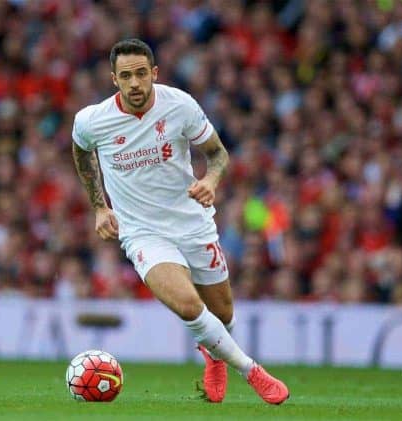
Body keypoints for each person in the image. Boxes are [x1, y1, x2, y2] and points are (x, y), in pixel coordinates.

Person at [71, 38, 289, 405]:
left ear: (154, 73)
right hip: (142, 232)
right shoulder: (93, 120)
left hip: (192, 223)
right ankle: (252, 371)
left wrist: (210, 180)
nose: (136, 83)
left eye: (142, 73)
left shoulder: (181, 106)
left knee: (222, 313)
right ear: (114, 79)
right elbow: (80, 150)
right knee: (189, 306)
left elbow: (217, 154)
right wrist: (99, 206)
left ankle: (213, 355)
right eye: (127, 76)